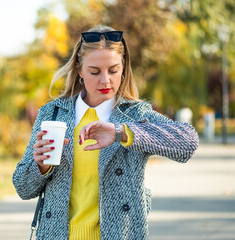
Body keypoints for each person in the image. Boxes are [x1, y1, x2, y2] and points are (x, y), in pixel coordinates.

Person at [13, 25, 199, 240]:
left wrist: (123, 132)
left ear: (123, 69)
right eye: (94, 72)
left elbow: (188, 142)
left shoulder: (135, 115)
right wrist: (41, 167)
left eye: (113, 70)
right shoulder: (52, 114)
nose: (105, 80)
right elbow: (22, 188)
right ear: (80, 70)